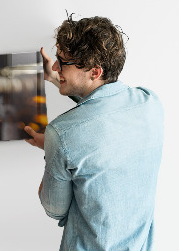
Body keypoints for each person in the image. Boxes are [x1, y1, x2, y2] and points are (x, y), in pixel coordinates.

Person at [25, 15, 164, 250]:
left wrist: (52, 149)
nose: (56, 66)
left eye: (63, 62)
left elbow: (53, 209)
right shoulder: (150, 103)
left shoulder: (61, 134)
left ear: (95, 71)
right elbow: (104, 108)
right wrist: (56, 79)